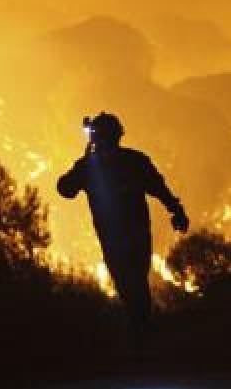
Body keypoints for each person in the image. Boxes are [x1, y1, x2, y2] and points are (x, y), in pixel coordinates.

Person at [57, 112, 189, 339]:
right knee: (137, 280)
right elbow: (160, 189)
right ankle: (143, 333)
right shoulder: (135, 160)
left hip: (113, 237)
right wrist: (176, 211)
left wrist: (85, 160)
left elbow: (65, 189)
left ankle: (140, 333)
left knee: (127, 284)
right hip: (136, 232)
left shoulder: (89, 166)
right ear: (119, 135)